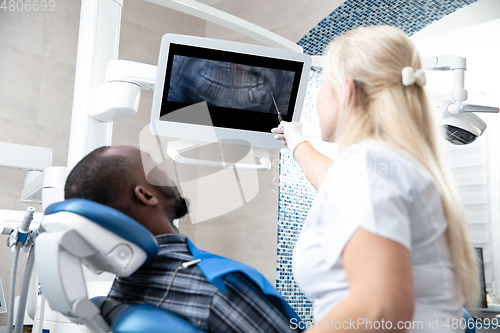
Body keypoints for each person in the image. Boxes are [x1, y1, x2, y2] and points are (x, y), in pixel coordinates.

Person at [272, 26, 479, 332]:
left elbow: (381, 308)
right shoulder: (393, 164)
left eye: (324, 84)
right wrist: (298, 143)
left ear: (346, 89)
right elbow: (344, 188)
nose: (317, 97)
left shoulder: (370, 162)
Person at [64, 145, 302, 333]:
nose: (166, 173)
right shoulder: (217, 288)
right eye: (155, 168)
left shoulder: (124, 287)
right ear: (146, 195)